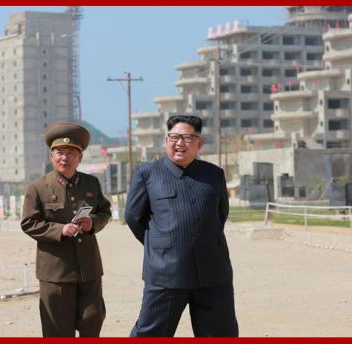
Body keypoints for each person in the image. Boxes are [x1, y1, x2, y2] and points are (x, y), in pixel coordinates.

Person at [124, 114, 238, 337]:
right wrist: (162, 244)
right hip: (166, 274)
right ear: (167, 140)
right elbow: (134, 218)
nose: (180, 143)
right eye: (174, 137)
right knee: (150, 334)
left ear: (199, 143)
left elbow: (220, 215)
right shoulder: (147, 174)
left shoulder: (214, 175)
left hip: (213, 274)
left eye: (187, 138)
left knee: (221, 334)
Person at [21, 121, 112, 337]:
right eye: (59, 152)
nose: (65, 158)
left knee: (93, 322)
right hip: (56, 273)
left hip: (89, 269)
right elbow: (28, 223)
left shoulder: (91, 184)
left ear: (80, 157)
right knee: (57, 331)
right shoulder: (38, 187)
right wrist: (59, 230)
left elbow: (105, 211)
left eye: (71, 153)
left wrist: (93, 223)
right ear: (51, 156)